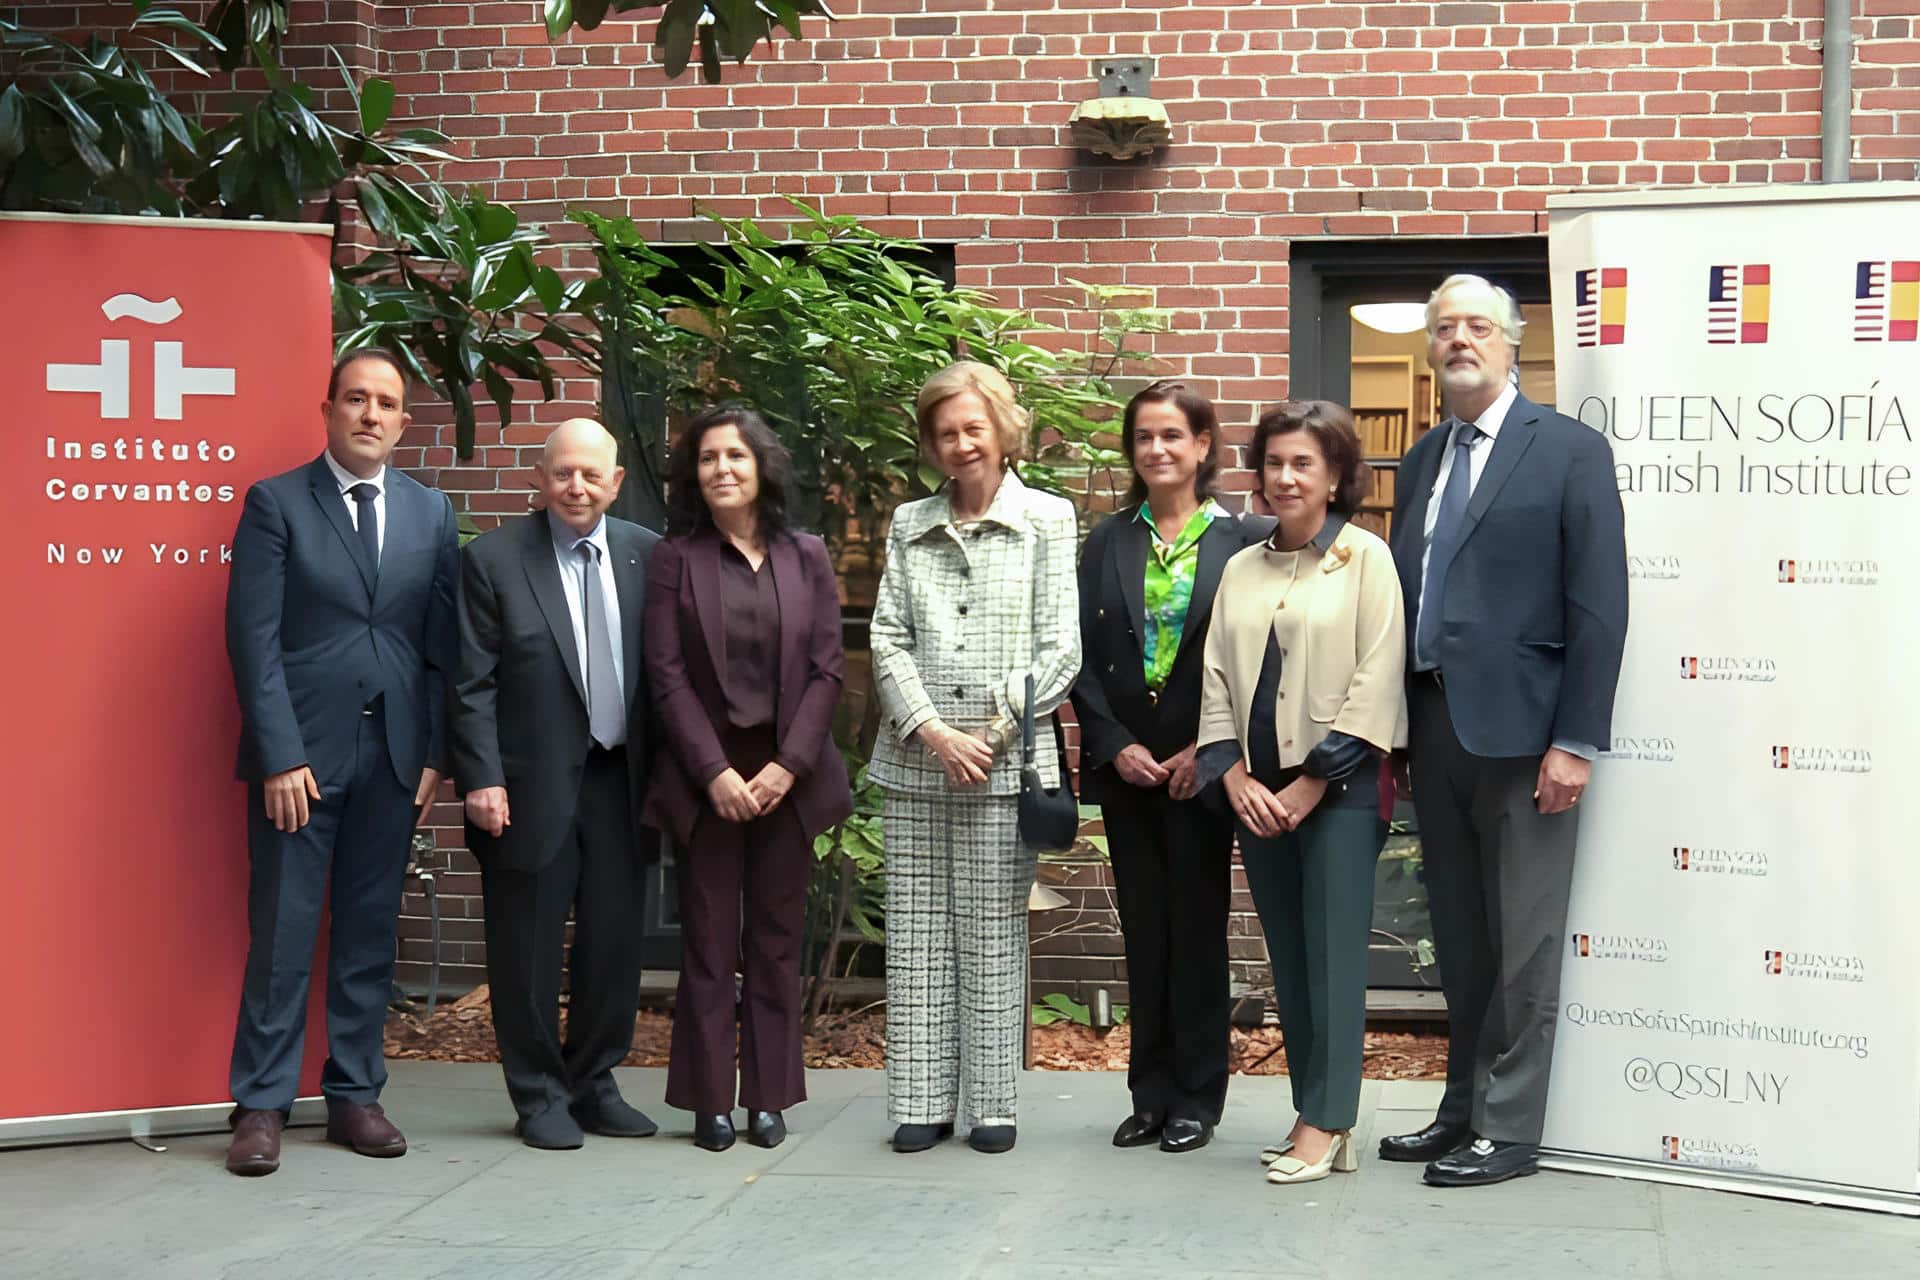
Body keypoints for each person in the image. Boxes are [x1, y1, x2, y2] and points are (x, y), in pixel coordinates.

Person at [1380, 274, 1627, 1188]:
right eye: (1444, 328)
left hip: (1529, 740)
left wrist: (1577, 740)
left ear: (1513, 341)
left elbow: (1599, 606)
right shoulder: (1420, 459)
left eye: (1477, 326)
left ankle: (1512, 1129)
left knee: (1522, 941)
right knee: (1462, 935)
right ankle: (1461, 1111)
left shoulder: (1568, 451)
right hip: (1434, 727)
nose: (1459, 340)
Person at [222, 349, 460, 1176]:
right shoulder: (277, 503)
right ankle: (260, 1106)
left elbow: (440, 646)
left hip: (394, 758)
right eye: (355, 398)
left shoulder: (433, 514)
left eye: (385, 403)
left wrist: (434, 754)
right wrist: (279, 756)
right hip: (302, 762)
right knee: (284, 934)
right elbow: (252, 640)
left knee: (367, 936)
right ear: (328, 410)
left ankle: (355, 1094)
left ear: (402, 421)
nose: (369, 414)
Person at [868, 361, 1081, 1155]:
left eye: (973, 428)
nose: (961, 445)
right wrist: (930, 728)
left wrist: (988, 734)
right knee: (918, 936)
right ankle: (921, 1102)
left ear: (1001, 429)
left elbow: (1062, 648)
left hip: (1004, 765)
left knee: (992, 935)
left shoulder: (1049, 521)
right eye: (945, 432)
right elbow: (887, 635)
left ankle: (994, 1104)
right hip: (919, 762)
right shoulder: (907, 522)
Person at [1194, 400, 1407, 1186]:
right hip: (1259, 792)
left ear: (1335, 475)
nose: (1284, 478)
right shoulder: (1242, 567)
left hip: (1340, 790)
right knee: (1290, 956)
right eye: (1274, 463)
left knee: (1333, 956)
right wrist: (1236, 775)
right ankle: (1312, 1111)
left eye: (1303, 465)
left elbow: (1378, 675)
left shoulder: (1367, 558)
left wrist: (1317, 780)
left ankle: (1329, 1118)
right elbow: (1216, 679)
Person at [1070, 382, 1274, 1155]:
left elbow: (1257, 657)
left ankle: (1197, 1096)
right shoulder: (1107, 541)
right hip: (1128, 768)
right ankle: (1148, 1092)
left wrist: (1212, 750)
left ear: (1201, 447)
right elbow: (1078, 656)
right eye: (1143, 437)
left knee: (1197, 931)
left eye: (1171, 436)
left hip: (1202, 771)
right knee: (1143, 931)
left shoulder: (1246, 541)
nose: (1156, 449)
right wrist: (1113, 739)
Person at [643, 407, 852, 1153]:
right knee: (706, 943)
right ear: (693, 475)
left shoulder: (808, 557)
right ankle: (709, 1103)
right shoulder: (676, 558)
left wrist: (787, 767)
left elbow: (829, 669)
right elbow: (665, 677)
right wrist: (715, 773)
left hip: (785, 781)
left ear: (761, 465)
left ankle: (768, 1098)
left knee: (773, 941)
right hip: (709, 783)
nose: (721, 468)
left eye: (735, 454)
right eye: (706, 458)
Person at [450, 418, 662, 1151]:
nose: (577, 486)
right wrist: (479, 777)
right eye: (563, 473)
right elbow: (469, 680)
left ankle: (595, 1084)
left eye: (591, 474)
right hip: (525, 786)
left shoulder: (646, 556)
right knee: (526, 947)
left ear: (615, 482)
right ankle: (539, 1095)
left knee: (612, 945)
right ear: (539, 479)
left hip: (621, 780)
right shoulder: (494, 560)